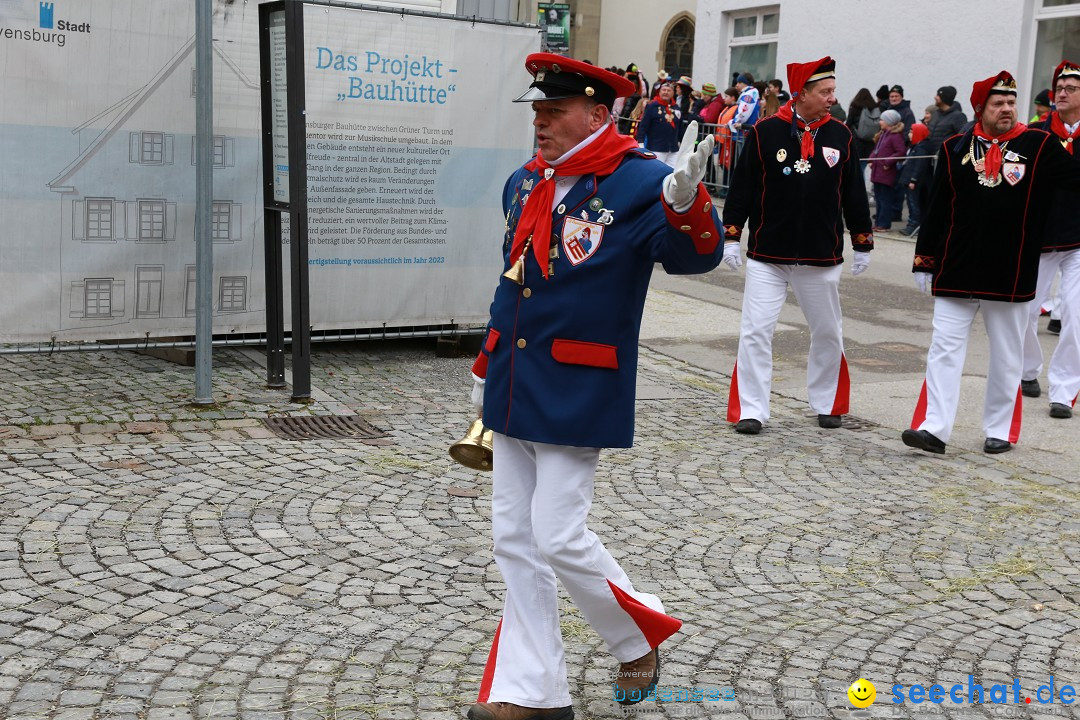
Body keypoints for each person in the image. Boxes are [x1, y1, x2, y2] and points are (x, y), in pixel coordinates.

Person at [466, 53, 722, 720]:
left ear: (598, 114)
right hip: (517, 381)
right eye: (537, 110)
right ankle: (532, 691)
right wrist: (486, 365)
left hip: (579, 384)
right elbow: (513, 285)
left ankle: (638, 635)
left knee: (556, 536)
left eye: (555, 111)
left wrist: (688, 202)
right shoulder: (526, 184)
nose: (540, 121)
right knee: (512, 541)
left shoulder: (638, 182)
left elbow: (695, 258)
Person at [903, 70, 1080, 456]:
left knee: (1006, 354)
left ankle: (999, 428)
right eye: (998, 104)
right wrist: (924, 259)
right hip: (956, 266)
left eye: (1011, 103)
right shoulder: (954, 147)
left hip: (1009, 270)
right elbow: (937, 210)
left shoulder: (1039, 144)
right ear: (979, 109)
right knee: (944, 349)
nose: (1007, 109)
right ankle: (934, 428)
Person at [721, 56, 874, 435]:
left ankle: (826, 402)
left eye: (833, 91)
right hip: (767, 254)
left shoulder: (841, 134)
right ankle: (752, 410)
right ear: (802, 93)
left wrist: (862, 240)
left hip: (821, 256)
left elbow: (854, 192)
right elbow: (742, 190)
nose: (832, 98)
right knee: (756, 331)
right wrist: (731, 236)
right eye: (825, 91)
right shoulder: (764, 132)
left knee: (827, 331)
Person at [1021, 60, 1080, 419]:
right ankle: (1028, 370)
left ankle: (1064, 388)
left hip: (1077, 240)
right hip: (1040, 239)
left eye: (1070, 88)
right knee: (1025, 312)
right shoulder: (1037, 133)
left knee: (1075, 314)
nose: (1061, 92)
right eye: (1059, 87)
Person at [868, 108, 907, 231]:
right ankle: (879, 222)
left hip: (886, 172)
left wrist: (887, 162)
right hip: (878, 172)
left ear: (889, 122)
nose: (880, 122)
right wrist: (871, 159)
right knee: (879, 199)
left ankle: (884, 224)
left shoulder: (895, 136)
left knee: (885, 200)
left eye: (882, 120)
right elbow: (877, 149)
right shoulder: (884, 134)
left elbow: (901, 152)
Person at [897, 122, 933, 236]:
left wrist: (913, 180)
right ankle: (913, 224)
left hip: (913, 182)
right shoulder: (916, 146)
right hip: (909, 180)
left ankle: (913, 225)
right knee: (912, 203)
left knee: (913, 204)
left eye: (912, 132)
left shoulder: (922, 148)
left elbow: (919, 165)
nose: (909, 134)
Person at [636, 82, 681, 166]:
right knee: (656, 173)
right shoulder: (652, 106)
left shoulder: (676, 108)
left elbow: (680, 127)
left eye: (669, 90)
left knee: (672, 174)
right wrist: (640, 142)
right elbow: (643, 126)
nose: (666, 92)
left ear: (673, 93)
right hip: (657, 148)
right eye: (663, 90)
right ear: (659, 92)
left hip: (673, 149)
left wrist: (682, 143)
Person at [926, 85, 968, 155]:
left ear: (944, 98)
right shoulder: (935, 114)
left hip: (946, 157)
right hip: (931, 157)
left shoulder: (958, 116)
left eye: (938, 95)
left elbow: (962, 138)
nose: (935, 97)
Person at [848, 88, 882, 164]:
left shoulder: (855, 106)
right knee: (863, 164)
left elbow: (849, 123)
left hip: (857, 140)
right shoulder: (875, 107)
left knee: (857, 166)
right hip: (870, 142)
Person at [728, 73, 760, 139]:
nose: (737, 85)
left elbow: (743, 113)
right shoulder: (752, 92)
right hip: (747, 130)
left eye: (739, 82)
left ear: (746, 83)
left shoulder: (748, 95)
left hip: (744, 132)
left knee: (742, 148)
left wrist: (733, 122)